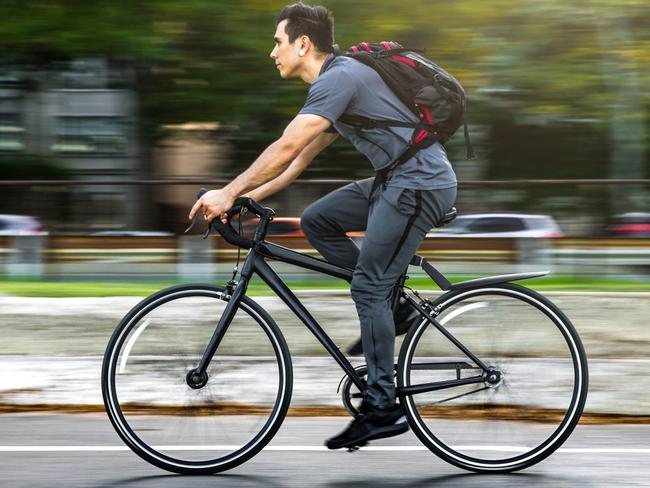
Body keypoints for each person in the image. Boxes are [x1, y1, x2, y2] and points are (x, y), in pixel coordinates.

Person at [189, 2, 458, 450]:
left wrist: (228, 191)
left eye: (277, 42)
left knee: (368, 287)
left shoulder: (340, 78)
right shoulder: (336, 82)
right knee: (319, 219)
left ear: (303, 43)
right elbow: (295, 161)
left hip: (419, 185)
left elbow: (287, 142)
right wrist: (248, 199)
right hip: (398, 180)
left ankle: (381, 405)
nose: (272, 52)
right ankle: (392, 309)